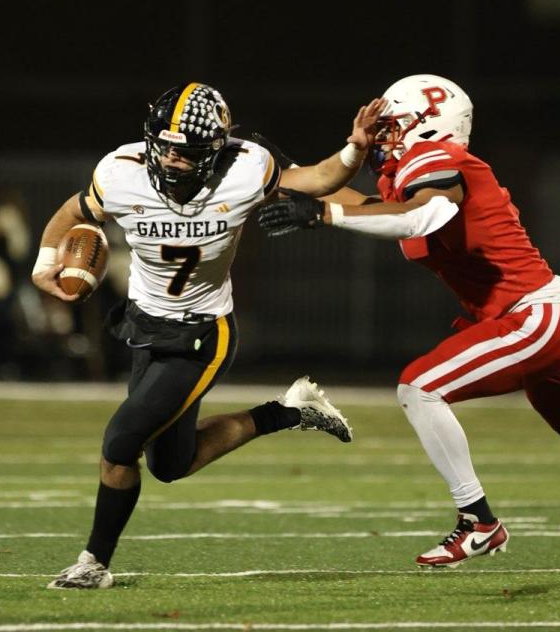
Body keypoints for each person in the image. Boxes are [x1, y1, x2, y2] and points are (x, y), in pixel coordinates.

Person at [258, 74, 560, 592]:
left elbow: (423, 215)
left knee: (420, 386)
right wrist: (271, 176)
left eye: (392, 127)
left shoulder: (438, 161)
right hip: (548, 316)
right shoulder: (408, 175)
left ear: (427, 124)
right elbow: (369, 207)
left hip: (532, 316)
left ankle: (479, 522)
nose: (383, 138)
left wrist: (325, 214)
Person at [32, 82, 383, 589]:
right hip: (145, 326)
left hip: (202, 336)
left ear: (215, 148)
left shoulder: (244, 171)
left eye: (187, 150)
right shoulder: (120, 173)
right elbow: (75, 212)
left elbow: (320, 179)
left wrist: (355, 148)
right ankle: (289, 411)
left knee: (119, 443)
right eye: (166, 146)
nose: (173, 160)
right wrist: (45, 263)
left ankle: (93, 562)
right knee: (173, 464)